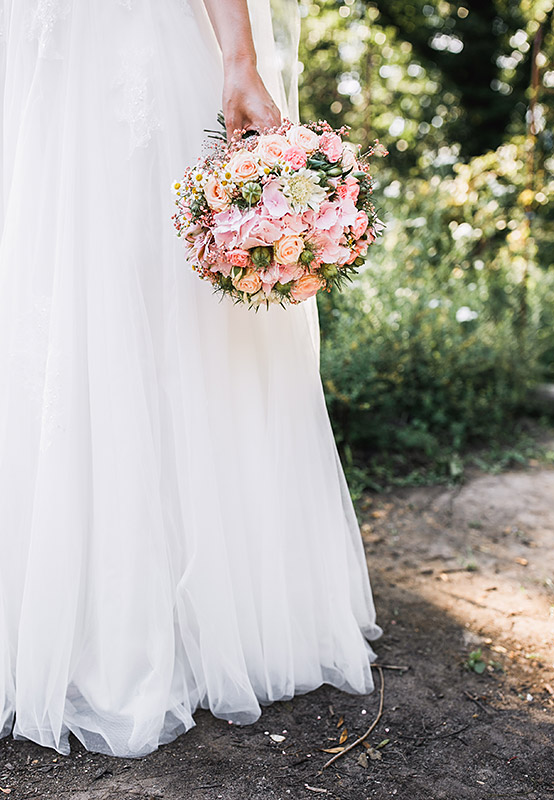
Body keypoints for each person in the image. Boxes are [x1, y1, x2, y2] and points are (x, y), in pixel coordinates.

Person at [0, 0, 380, 756]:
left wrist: (239, 58)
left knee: (161, 300)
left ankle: (175, 619)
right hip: (34, 47)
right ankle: (58, 616)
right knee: (48, 294)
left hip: (141, 40)